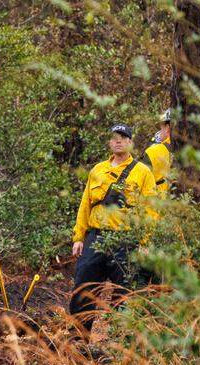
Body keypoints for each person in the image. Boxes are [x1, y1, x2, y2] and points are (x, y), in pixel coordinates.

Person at [69, 123, 159, 338]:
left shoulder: (142, 172)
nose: (118, 141)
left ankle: (120, 345)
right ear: (110, 142)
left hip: (126, 240)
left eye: (123, 137)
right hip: (96, 237)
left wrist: (145, 242)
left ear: (130, 142)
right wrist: (79, 237)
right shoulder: (98, 170)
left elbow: (151, 210)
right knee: (83, 287)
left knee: (125, 293)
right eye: (114, 137)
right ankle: (78, 340)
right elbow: (85, 204)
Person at [142, 109, 173, 194]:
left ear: (167, 128)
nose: (159, 132)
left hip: (160, 200)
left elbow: (140, 183)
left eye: (161, 128)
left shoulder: (153, 152)